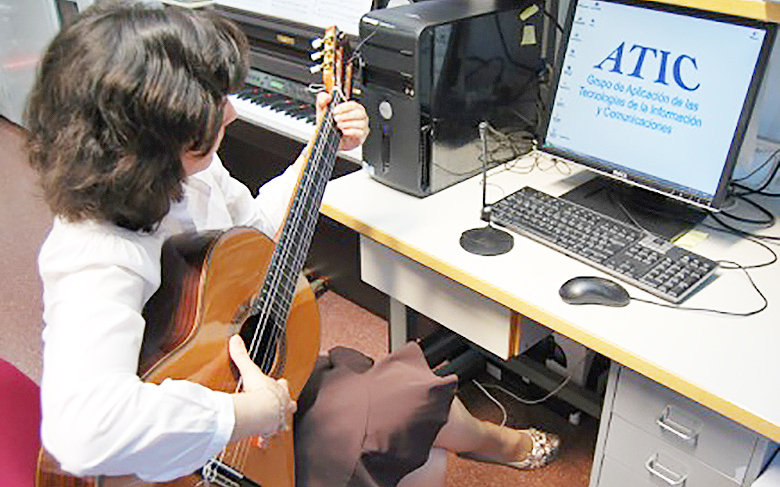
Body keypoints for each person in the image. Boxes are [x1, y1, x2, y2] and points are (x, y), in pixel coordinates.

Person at [25, 2, 560, 486]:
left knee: (414, 397)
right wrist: (244, 415)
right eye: (213, 105)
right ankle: (499, 444)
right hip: (186, 450)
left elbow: (253, 230)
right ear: (148, 141)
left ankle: (496, 444)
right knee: (410, 433)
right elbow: (82, 432)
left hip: (239, 380)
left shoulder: (189, 172)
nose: (230, 112)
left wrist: (324, 146)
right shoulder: (94, 251)